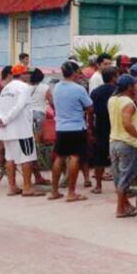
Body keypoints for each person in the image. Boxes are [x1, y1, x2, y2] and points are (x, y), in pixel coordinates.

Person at [48, 61, 94, 202]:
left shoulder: (57, 87)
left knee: (59, 157)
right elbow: (90, 106)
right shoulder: (78, 89)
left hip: (61, 127)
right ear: (74, 72)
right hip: (76, 126)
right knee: (75, 157)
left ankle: (54, 191)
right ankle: (71, 192)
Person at [0, 64, 39, 197]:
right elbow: (19, 106)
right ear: (23, 74)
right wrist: (6, 119)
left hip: (7, 131)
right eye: (28, 73)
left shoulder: (6, 87)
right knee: (27, 158)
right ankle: (27, 187)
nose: (29, 75)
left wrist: (0, 119)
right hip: (21, 130)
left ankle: (12, 187)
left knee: (10, 158)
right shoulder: (24, 87)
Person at [108, 75, 137, 218]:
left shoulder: (112, 100)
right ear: (130, 87)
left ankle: (125, 205)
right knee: (125, 177)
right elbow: (127, 123)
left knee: (119, 177)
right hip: (127, 143)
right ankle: (120, 208)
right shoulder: (129, 103)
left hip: (113, 142)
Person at [89, 66, 117, 195]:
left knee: (99, 158)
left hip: (100, 126)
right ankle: (121, 187)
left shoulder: (95, 92)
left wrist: (90, 127)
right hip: (116, 126)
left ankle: (98, 185)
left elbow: (90, 112)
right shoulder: (118, 91)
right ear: (114, 78)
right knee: (119, 158)